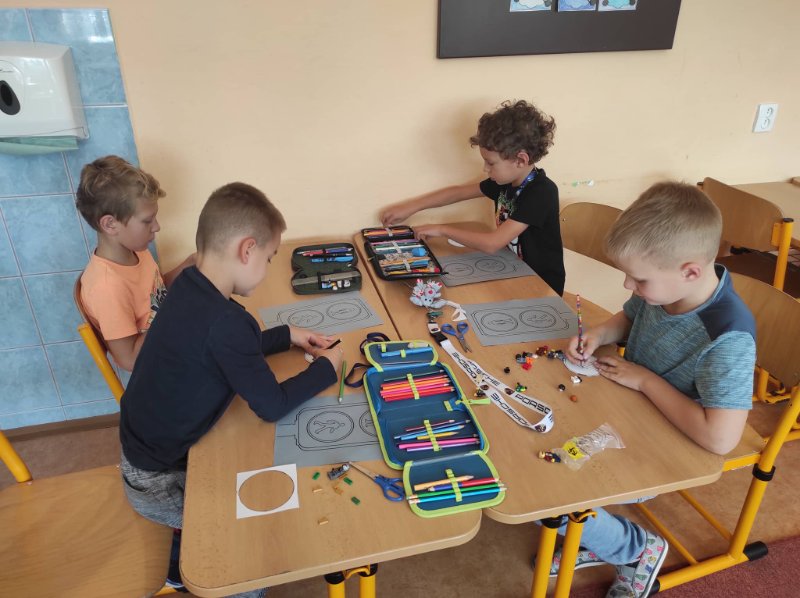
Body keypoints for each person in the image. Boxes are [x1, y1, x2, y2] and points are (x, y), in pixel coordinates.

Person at [118, 182, 344, 597]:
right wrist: (326, 370)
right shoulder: (227, 324)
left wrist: (287, 335)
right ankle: (201, 573)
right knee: (250, 552)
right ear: (247, 250)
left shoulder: (189, 284)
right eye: (269, 258)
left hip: (144, 456)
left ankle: (178, 564)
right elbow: (271, 405)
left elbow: (226, 349)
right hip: (159, 482)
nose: (268, 267)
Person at [552, 182, 756, 598]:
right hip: (632, 403)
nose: (629, 285)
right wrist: (598, 334)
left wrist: (645, 380)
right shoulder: (669, 289)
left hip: (675, 437)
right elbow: (628, 316)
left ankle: (634, 549)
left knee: (552, 485)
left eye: (639, 278)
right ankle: (594, 533)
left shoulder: (728, 337)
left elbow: (720, 439)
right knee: (544, 442)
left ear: (690, 271)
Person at [379, 100, 565, 295]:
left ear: (521, 160)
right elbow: (458, 192)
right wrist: (412, 207)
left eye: (490, 163)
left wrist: (442, 229)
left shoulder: (542, 192)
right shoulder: (505, 181)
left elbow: (492, 243)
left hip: (541, 285)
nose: (485, 169)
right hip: (512, 271)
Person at [76, 155, 194, 371]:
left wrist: (189, 264)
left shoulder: (135, 252)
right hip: (163, 370)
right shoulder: (107, 288)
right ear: (110, 224)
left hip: (175, 342)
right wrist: (174, 311)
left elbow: (153, 297)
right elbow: (129, 359)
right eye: (147, 220)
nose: (157, 227)